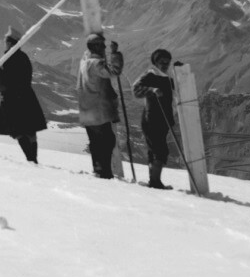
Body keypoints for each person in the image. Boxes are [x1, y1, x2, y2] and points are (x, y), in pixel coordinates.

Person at [0, 27, 48, 163]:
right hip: (26, 97)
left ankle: (31, 159)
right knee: (29, 130)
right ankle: (33, 158)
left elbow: (9, 79)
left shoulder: (10, 58)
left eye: (6, 41)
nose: (4, 43)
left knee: (17, 130)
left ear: (10, 43)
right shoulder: (23, 57)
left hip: (13, 100)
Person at [76, 32, 123, 179]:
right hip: (98, 111)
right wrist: (115, 54)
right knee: (107, 141)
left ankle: (98, 170)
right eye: (102, 45)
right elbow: (114, 71)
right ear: (96, 47)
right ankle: (104, 172)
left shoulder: (84, 62)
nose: (104, 48)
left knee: (95, 142)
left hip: (87, 110)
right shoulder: (96, 64)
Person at [132, 48, 177, 189]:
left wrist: (180, 70)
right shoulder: (150, 75)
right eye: (162, 62)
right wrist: (152, 90)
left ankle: (154, 182)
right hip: (151, 120)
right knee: (160, 151)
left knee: (155, 151)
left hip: (162, 121)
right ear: (155, 62)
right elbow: (136, 90)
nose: (165, 65)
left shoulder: (167, 78)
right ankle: (155, 182)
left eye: (167, 63)